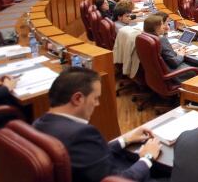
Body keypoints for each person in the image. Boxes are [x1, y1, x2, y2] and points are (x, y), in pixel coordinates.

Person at [33, 67, 161, 182]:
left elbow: (92, 157)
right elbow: (118, 180)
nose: (97, 104)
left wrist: (125, 140)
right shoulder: (81, 134)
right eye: (95, 98)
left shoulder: (38, 124)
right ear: (78, 98)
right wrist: (147, 157)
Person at [143, 15, 198, 83]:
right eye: (162, 24)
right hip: (173, 75)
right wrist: (181, 54)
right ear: (156, 28)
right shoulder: (161, 39)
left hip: (158, 75)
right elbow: (174, 63)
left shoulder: (146, 37)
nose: (164, 26)